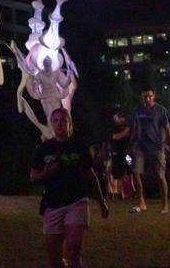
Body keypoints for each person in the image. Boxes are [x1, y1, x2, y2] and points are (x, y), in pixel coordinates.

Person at [30, 108, 109, 268]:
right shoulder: (44, 149)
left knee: (73, 250)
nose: (60, 124)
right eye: (56, 120)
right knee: (54, 258)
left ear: (70, 124)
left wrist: (102, 202)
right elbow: (34, 176)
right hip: (52, 204)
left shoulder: (79, 147)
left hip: (76, 201)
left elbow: (91, 176)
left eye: (63, 120)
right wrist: (47, 172)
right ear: (52, 124)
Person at [129, 88, 170, 213]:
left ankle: (165, 205)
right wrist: (130, 146)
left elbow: (168, 131)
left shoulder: (161, 110)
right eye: (144, 96)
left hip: (156, 147)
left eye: (149, 96)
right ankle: (141, 202)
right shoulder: (138, 111)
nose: (147, 99)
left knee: (160, 176)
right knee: (136, 173)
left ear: (154, 96)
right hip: (140, 147)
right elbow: (134, 129)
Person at [106, 109, 133, 201]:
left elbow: (131, 136)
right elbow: (115, 137)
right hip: (116, 153)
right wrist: (126, 131)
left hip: (127, 153)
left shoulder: (127, 127)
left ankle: (129, 192)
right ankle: (116, 193)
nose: (121, 120)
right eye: (119, 118)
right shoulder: (113, 128)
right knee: (116, 173)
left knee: (130, 171)